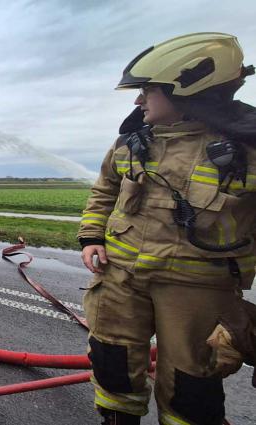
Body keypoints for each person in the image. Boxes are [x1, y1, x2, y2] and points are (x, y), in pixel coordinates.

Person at [78, 32, 256, 425]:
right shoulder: (130, 142)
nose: (138, 100)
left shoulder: (246, 149)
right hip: (119, 278)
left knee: (191, 385)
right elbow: (104, 190)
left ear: (188, 92)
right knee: (112, 363)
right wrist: (91, 236)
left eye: (147, 91)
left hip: (197, 291)